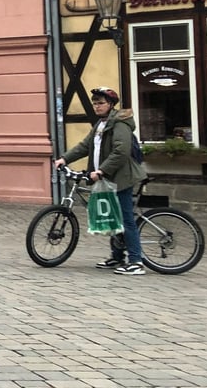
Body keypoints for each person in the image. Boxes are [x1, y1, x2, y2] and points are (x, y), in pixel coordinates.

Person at [54, 86, 147, 275]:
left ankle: (136, 262)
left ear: (111, 104)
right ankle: (117, 257)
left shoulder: (120, 123)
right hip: (108, 178)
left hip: (122, 177)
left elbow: (121, 151)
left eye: (101, 103)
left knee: (125, 219)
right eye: (94, 103)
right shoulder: (101, 124)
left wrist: (101, 171)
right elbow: (84, 146)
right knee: (114, 218)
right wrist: (64, 158)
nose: (97, 106)